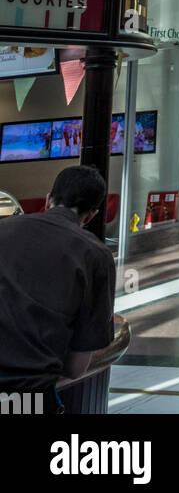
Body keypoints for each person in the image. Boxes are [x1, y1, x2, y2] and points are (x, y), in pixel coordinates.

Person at [0, 165, 117, 410]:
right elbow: (76, 367)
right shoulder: (97, 255)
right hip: (28, 397)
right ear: (93, 214)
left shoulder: (4, 229)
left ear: (48, 199)